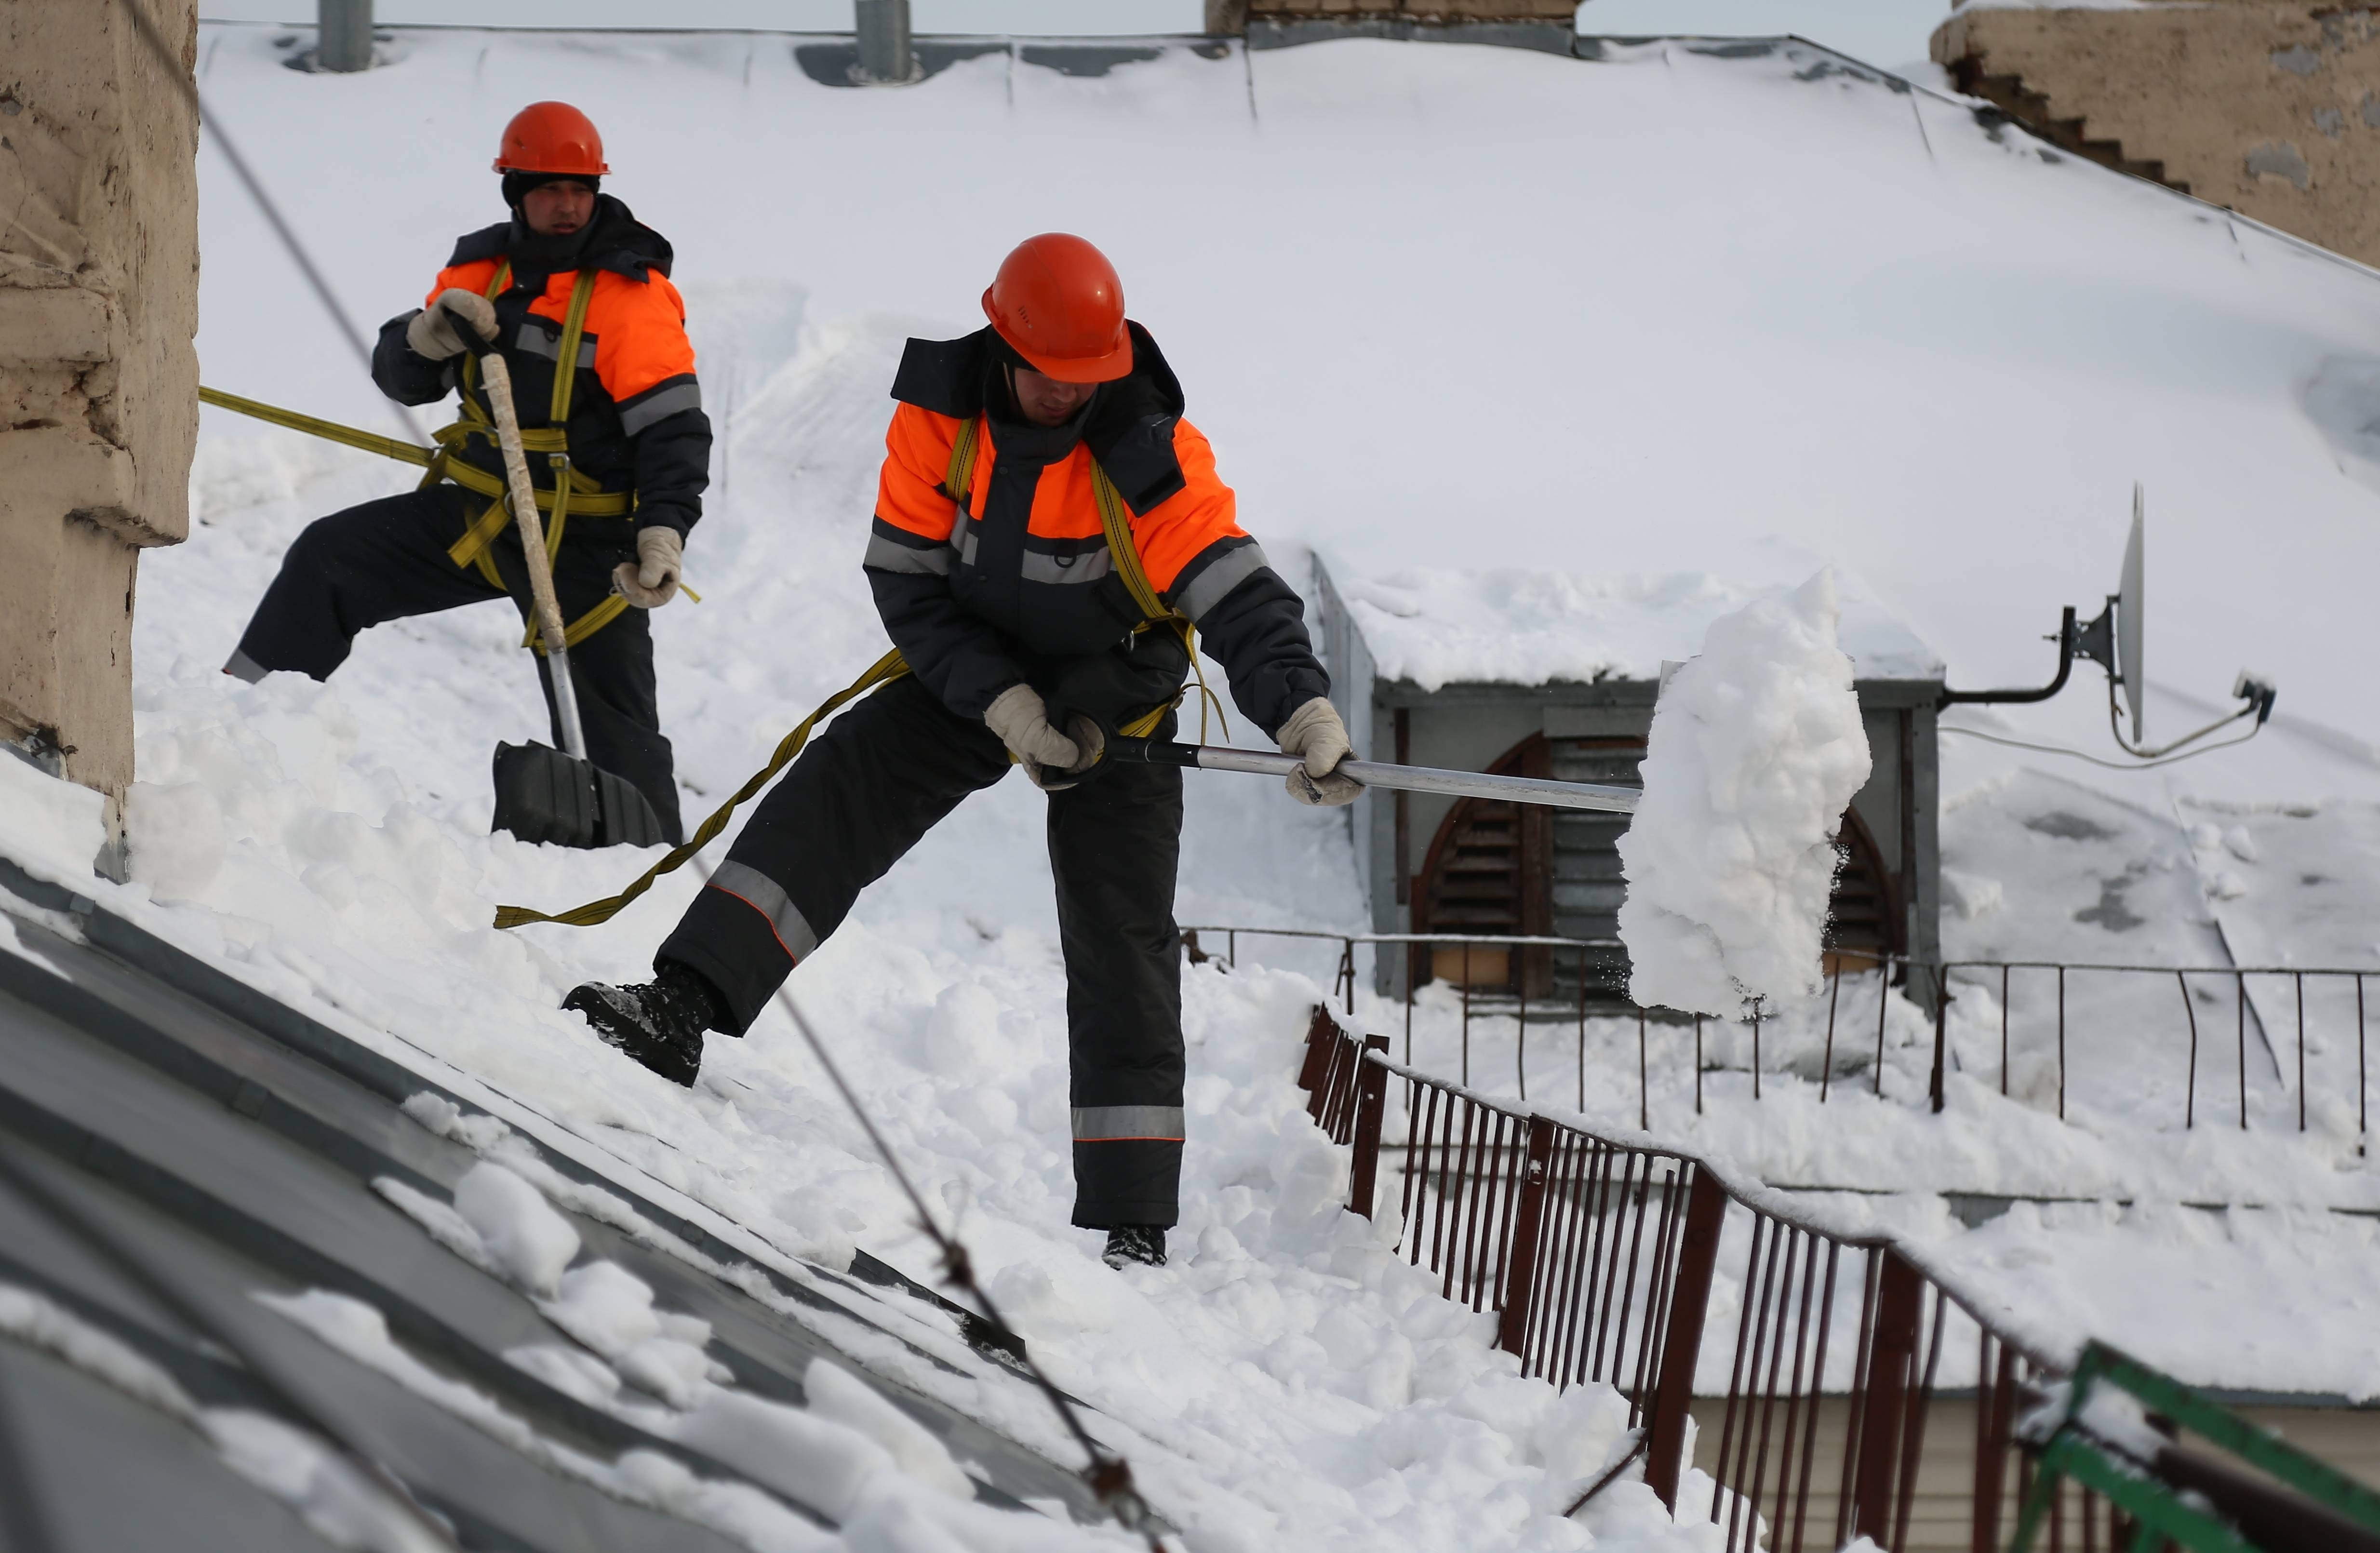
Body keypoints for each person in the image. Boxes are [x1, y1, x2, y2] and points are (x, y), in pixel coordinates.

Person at [565, 234, 1360, 1269]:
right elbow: (909, 584)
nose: (1067, 398)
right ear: (1004, 344)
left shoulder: (1147, 449)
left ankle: (1134, 1215)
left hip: (1117, 696)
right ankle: (684, 1003)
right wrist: (1003, 704)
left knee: (1122, 928)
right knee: (845, 783)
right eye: (1051, 378)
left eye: (1088, 381)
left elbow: (1234, 590)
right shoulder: (939, 419)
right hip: (976, 668)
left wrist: (1301, 711)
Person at [225, 102, 709, 843]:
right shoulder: (482, 270)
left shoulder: (630, 297)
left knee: (614, 725)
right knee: (329, 560)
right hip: (484, 515)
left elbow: (673, 433)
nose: (566, 204)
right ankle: (225, 727)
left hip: (584, 542)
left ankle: (644, 871)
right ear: (515, 190)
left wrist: (663, 533)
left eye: (579, 188)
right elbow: (408, 381)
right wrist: (423, 337)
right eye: (548, 188)